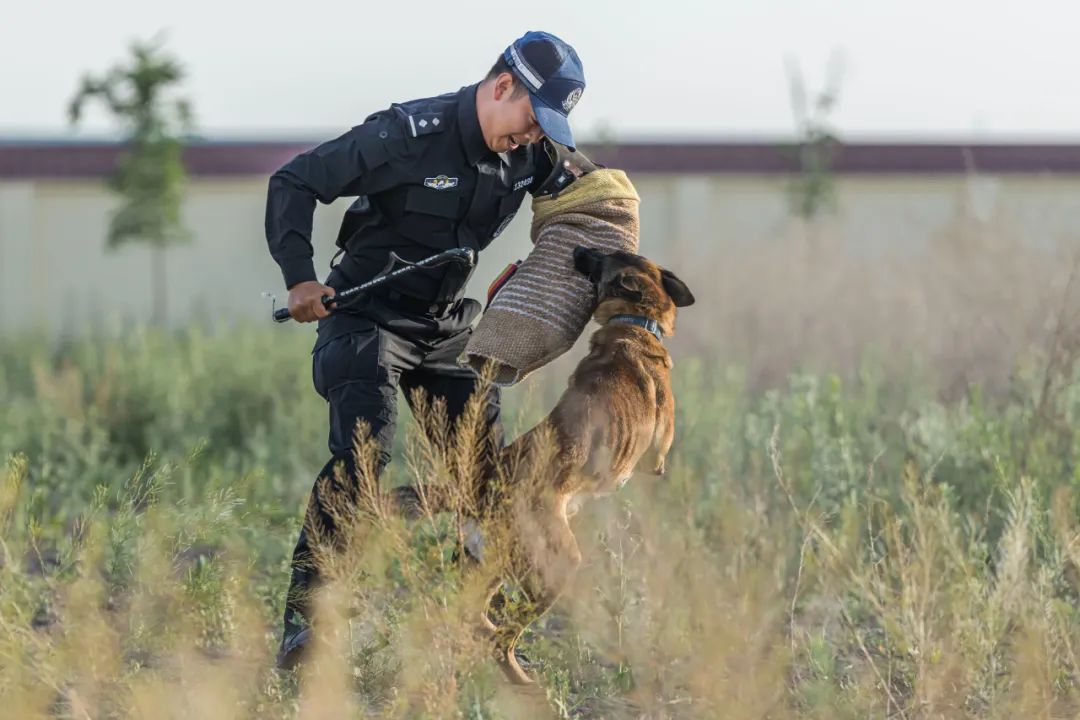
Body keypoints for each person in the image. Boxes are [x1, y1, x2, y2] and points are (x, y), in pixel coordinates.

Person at [264, 30, 596, 669]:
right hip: (366, 317)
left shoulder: (533, 153)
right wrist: (299, 277)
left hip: (443, 328)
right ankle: (306, 627)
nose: (534, 136)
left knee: (486, 478)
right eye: (531, 119)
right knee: (363, 458)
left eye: (546, 128)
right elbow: (295, 180)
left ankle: (466, 613)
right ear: (503, 86)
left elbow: (595, 196)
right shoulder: (407, 135)